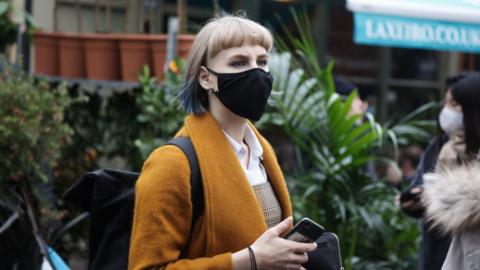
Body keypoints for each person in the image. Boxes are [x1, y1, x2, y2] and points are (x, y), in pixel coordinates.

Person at [128, 14, 317, 270]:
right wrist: (249, 260)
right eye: (239, 63)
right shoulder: (172, 164)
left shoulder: (261, 152)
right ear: (206, 78)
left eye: (262, 61)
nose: (256, 73)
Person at [400, 72, 480, 270]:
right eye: (446, 103)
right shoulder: (440, 147)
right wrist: (414, 200)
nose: (447, 111)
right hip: (436, 253)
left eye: (454, 105)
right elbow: (421, 184)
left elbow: (468, 201)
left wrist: (442, 197)